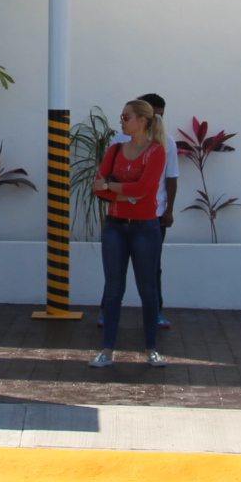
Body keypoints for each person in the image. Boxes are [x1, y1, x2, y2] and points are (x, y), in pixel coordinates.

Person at [88, 99, 169, 370]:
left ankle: (151, 348)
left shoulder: (156, 151)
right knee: (113, 289)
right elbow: (97, 187)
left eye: (126, 117)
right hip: (115, 225)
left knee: (148, 288)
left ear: (142, 121)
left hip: (145, 227)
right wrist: (125, 192)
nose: (122, 121)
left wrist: (112, 186)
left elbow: (144, 189)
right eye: (122, 116)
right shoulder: (115, 150)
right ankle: (107, 350)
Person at [99, 91, 179, 329]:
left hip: (152, 217)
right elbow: (103, 181)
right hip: (119, 216)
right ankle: (107, 313)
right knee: (115, 271)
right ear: (144, 117)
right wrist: (123, 194)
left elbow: (170, 178)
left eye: (161, 114)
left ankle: (156, 313)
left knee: (152, 269)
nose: (158, 119)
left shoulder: (166, 143)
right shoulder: (119, 142)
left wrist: (169, 210)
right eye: (155, 114)